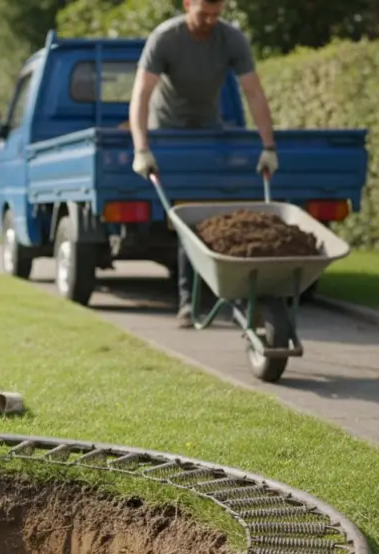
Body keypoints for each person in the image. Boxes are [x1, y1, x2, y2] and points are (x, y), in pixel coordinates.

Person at [127, 0, 279, 326]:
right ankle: (187, 303)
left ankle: (237, 296)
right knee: (189, 219)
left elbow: (253, 92)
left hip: (209, 132)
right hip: (168, 135)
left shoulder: (231, 39)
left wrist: (268, 146)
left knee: (221, 215)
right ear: (187, 4)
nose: (210, 20)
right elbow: (141, 93)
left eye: (216, 13)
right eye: (203, 13)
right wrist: (142, 148)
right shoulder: (165, 38)